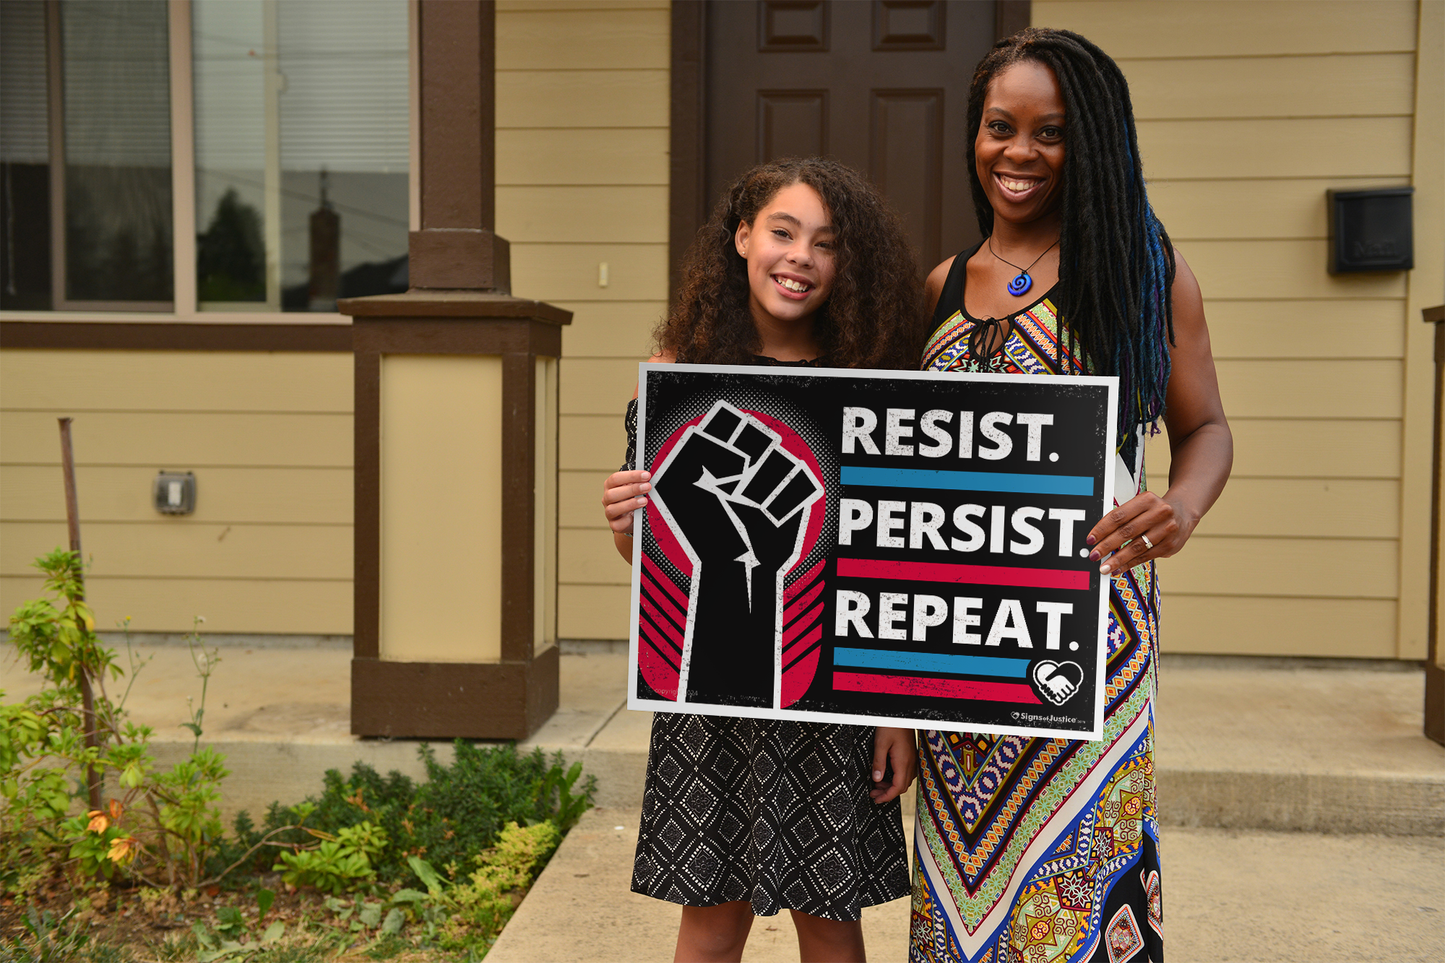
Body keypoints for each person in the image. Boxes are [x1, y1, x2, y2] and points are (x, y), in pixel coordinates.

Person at [910, 28, 1232, 963]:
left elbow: (1206, 428)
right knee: (961, 894)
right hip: (957, 643)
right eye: (998, 126)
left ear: (1089, 142)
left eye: (1049, 133)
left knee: (1077, 885)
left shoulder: (1140, 274)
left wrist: (1182, 506)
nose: (1017, 153)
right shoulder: (937, 289)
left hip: (1091, 640)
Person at [602, 157, 925, 963]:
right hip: (710, 694)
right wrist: (624, 522)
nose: (800, 256)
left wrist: (895, 711)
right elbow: (656, 559)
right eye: (782, 231)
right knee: (709, 921)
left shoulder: (873, 387)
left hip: (832, 691)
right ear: (741, 237)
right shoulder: (679, 382)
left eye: (825, 242)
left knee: (830, 923)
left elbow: (890, 565)